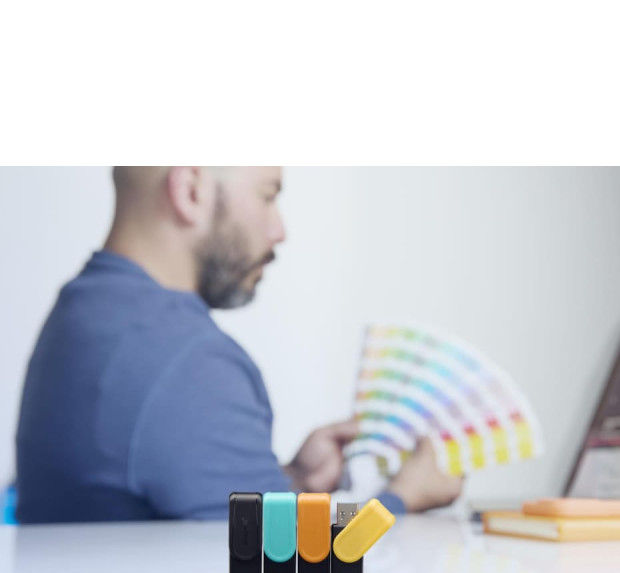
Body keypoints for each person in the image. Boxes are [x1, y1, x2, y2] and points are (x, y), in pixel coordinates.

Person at [15, 166, 463, 524]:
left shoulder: (82, 312)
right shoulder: (187, 361)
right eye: (268, 196)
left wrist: (292, 481)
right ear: (190, 191)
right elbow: (295, 567)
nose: (279, 230)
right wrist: (401, 498)